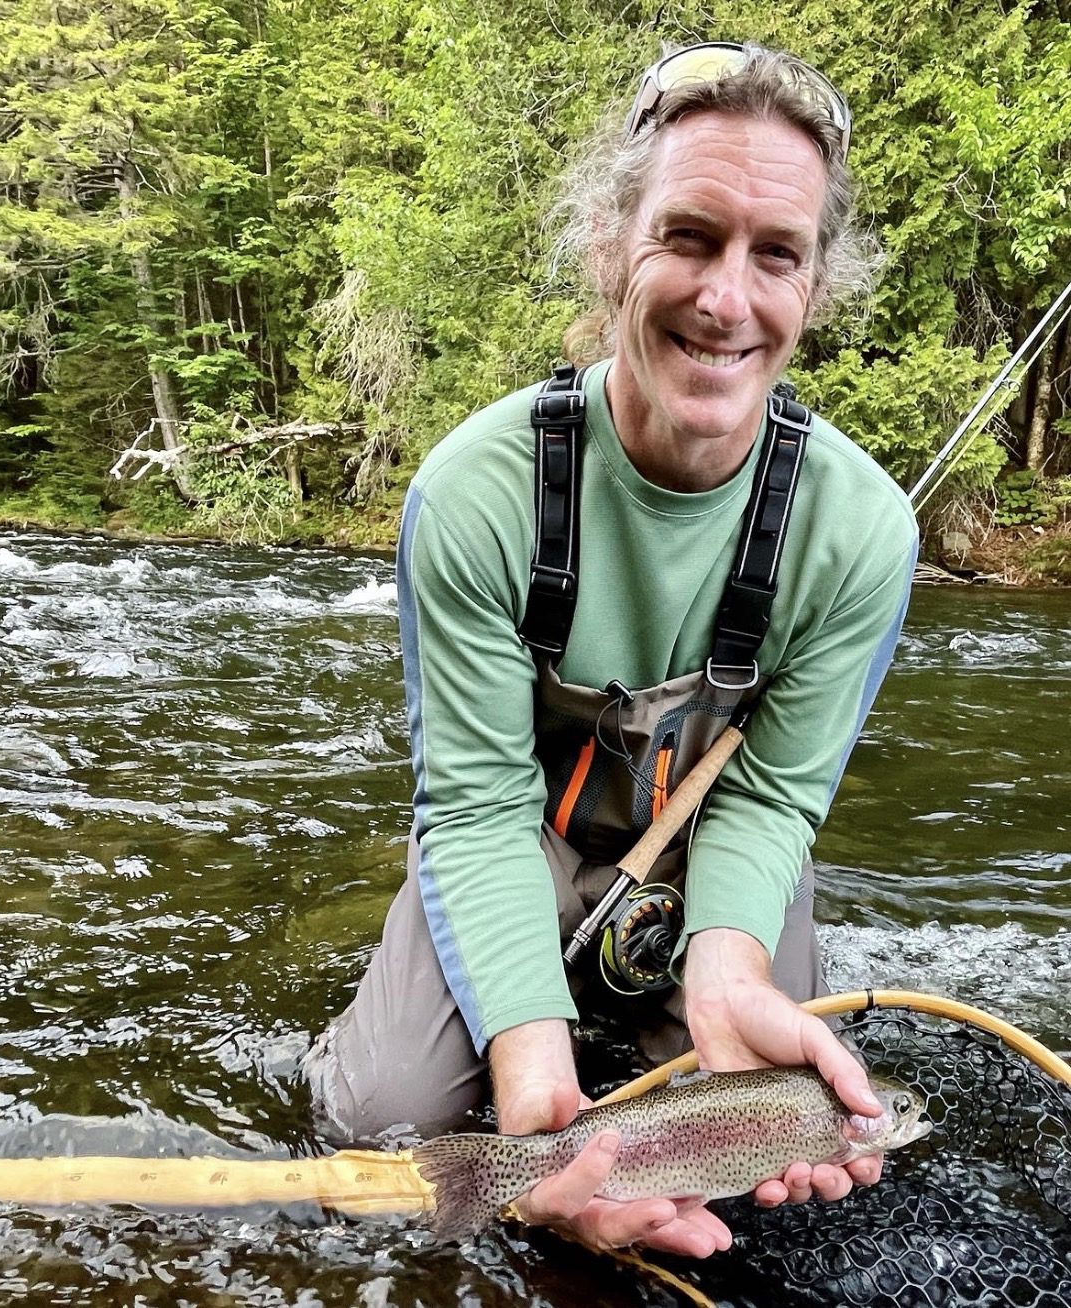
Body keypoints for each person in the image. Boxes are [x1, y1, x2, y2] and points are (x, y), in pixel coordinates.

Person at [303, 42, 919, 1258]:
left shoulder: (860, 532)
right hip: (519, 833)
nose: (727, 298)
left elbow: (776, 798)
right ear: (609, 245)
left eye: (775, 254)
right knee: (385, 1130)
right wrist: (536, 1103)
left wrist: (728, 972)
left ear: (815, 285)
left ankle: (670, 1003)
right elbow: (475, 803)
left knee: (758, 1153)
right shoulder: (477, 493)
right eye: (689, 237)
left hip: (712, 854)